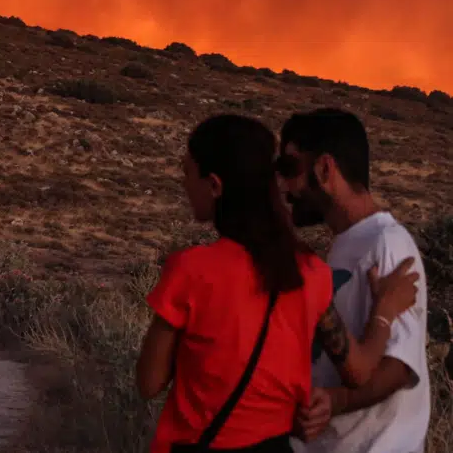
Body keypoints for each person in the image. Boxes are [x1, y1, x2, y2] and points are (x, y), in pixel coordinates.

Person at [137, 114, 419, 453]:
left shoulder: (189, 269)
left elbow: (149, 382)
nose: (183, 183)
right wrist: (384, 312)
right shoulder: (310, 272)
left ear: (215, 185)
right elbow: (358, 371)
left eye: (186, 172)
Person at [279, 108, 430, 453]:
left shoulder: (388, 243)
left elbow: (398, 368)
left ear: (325, 169)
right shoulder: (345, 246)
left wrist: (335, 401)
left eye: (290, 169)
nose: (285, 185)